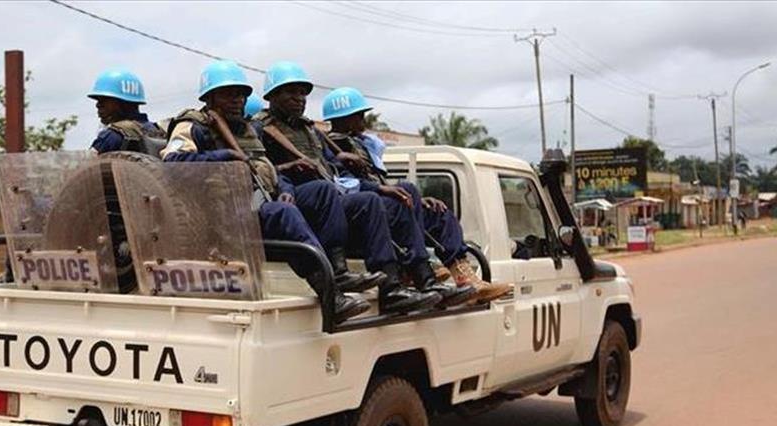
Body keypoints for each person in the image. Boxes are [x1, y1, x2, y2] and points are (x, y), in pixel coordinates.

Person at [159, 60, 380, 322]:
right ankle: (330, 295)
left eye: (241, 94)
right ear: (210, 97)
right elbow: (171, 164)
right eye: (228, 94)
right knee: (283, 213)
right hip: (221, 216)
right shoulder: (193, 125)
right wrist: (222, 156)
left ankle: (339, 270)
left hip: (257, 203)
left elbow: (268, 168)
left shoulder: (247, 129)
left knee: (320, 190)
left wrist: (285, 188)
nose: (237, 100)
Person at [253, 62, 473, 309]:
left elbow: (332, 167)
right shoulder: (260, 128)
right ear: (271, 96)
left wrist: (355, 171)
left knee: (399, 196)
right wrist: (289, 168)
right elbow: (259, 169)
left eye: (302, 92)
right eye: (290, 92)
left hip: (331, 193)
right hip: (299, 200)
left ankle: (415, 280)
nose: (299, 98)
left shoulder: (309, 130)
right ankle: (339, 270)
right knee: (355, 197)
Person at [323, 87, 512, 303]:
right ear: (343, 119)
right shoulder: (330, 147)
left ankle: (462, 274)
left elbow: (380, 180)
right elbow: (342, 186)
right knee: (406, 190)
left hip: (383, 202)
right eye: (358, 115)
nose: (363, 120)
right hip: (363, 212)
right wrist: (385, 190)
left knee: (437, 212)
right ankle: (420, 271)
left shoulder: (363, 144)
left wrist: (411, 198)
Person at [88, 69, 167, 156]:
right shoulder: (158, 131)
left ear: (123, 102)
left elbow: (85, 166)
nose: (98, 105)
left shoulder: (112, 135)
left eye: (104, 100)